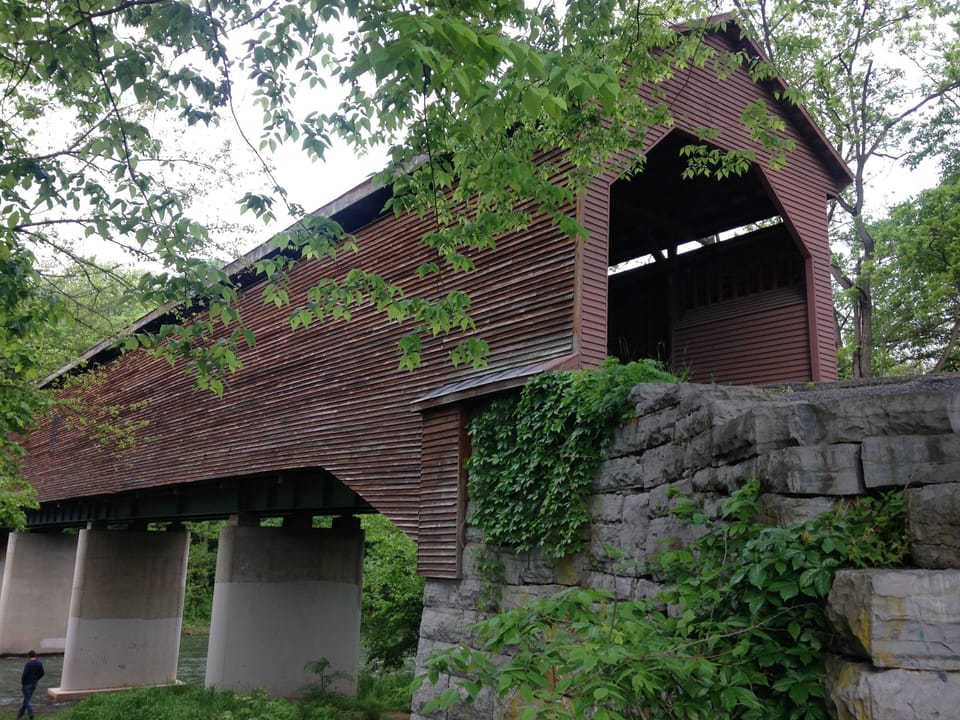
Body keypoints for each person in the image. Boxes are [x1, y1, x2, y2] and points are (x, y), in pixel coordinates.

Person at [17, 650, 44, 720]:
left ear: (29, 656)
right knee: (26, 700)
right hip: (34, 684)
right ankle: (19, 716)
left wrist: (22, 682)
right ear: (35, 655)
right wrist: (37, 679)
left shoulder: (28, 664)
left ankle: (31, 715)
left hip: (26, 684)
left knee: (27, 700)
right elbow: (42, 673)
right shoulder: (39, 663)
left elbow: (25, 674)